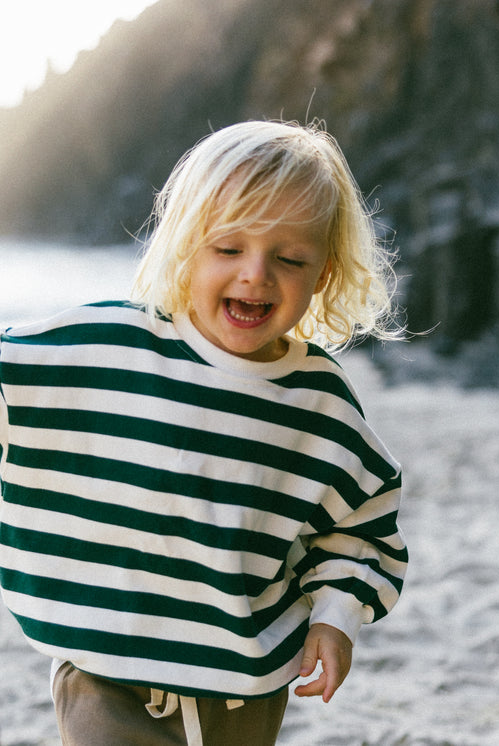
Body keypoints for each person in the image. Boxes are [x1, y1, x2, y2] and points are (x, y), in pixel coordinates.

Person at [0, 120, 408, 746]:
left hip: (244, 679)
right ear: (185, 245)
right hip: (104, 662)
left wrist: (336, 617)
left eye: (289, 258)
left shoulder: (319, 404)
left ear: (324, 273)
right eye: (228, 249)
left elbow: (359, 527)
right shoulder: (106, 345)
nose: (256, 274)